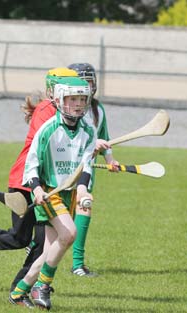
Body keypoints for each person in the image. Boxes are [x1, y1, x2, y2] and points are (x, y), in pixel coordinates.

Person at [0, 67, 78, 308]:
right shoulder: (45, 110)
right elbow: (49, 147)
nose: (75, 100)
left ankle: (22, 289)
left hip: (50, 185)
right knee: (20, 238)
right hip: (27, 182)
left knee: (44, 242)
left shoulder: (70, 113)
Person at [9, 76, 95, 310]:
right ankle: (42, 286)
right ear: (58, 100)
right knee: (69, 234)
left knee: (48, 251)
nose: (78, 104)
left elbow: (86, 165)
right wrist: (35, 188)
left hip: (69, 195)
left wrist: (83, 189)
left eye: (82, 99)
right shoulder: (48, 129)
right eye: (72, 99)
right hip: (48, 191)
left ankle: (18, 293)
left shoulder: (89, 130)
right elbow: (31, 163)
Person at [66, 63, 119, 277]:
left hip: (86, 169)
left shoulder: (98, 110)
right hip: (63, 167)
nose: (86, 87)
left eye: (89, 82)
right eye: (82, 83)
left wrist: (110, 159)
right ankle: (35, 245)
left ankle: (78, 264)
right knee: (56, 214)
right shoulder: (65, 107)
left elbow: (104, 137)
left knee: (84, 206)